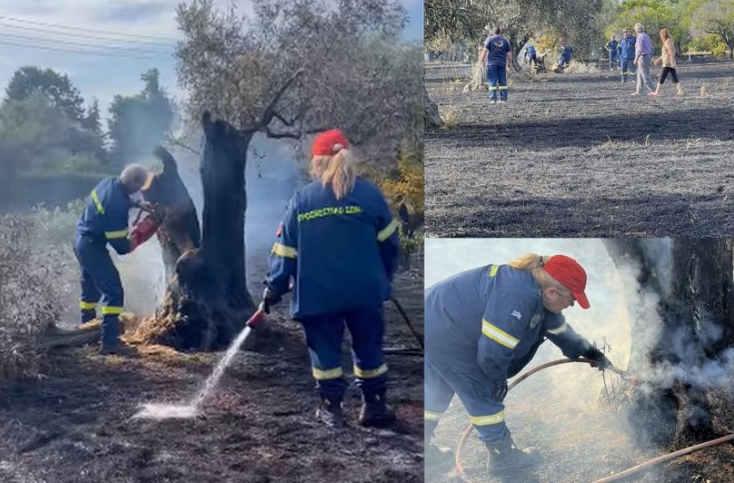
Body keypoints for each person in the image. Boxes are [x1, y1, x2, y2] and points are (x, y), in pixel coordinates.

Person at [423, 253, 614, 477]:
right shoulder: (517, 298)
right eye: (571, 299)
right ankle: (502, 458)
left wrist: (587, 350)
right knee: (481, 392)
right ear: (552, 292)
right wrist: (497, 379)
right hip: (445, 329)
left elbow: (557, 328)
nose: (571, 305)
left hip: (433, 319)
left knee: (436, 389)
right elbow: (492, 356)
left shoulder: (535, 290)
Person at [263, 129, 401, 429]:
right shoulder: (370, 195)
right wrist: (384, 278)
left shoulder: (302, 200)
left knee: (324, 351)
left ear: (317, 162)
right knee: (369, 347)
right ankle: (374, 407)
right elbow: (390, 244)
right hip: (365, 292)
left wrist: (273, 287)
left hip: (318, 294)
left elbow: (284, 250)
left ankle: (331, 410)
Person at [75, 164, 156, 355]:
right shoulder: (116, 206)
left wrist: (138, 205)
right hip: (93, 247)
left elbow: (117, 199)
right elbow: (121, 248)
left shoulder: (109, 182)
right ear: (134, 182)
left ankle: (86, 333)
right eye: (139, 187)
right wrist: (142, 234)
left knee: (90, 294)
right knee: (113, 292)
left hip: (81, 241)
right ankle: (110, 343)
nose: (139, 191)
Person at [478, 27, 511, 103]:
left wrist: (481, 61)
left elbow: (484, 51)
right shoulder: (505, 41)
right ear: (500, 32)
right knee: (503, 81)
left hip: (492, 64)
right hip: (502, 64)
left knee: (492, 81)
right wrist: (509, 63)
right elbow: (509, 53)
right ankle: (503, 99)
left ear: (493, 32)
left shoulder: (489, 40)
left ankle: (493, 99)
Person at [649, 28, 685, 98]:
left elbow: (671, 52)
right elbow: (665, 53)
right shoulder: (669, 41)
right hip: (668, 62)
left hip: (668, 63)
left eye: (660, 34)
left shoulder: (667, 42)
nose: (660, 36)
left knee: (661, 77)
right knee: (674, 77)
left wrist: (671, 62)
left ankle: (656, 92)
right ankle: (680, 91)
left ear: (663, 34)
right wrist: (658, 59)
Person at [631, 23, 655, 96]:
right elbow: (651, 47)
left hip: (643, 57)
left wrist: (636, 58)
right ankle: (639, 91)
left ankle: (653, 90)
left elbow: (640, 49)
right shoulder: (646, 36)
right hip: (647, 56)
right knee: (639, 75)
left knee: (645, 75)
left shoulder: (640, 37)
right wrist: (650, 55)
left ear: (636, 29)